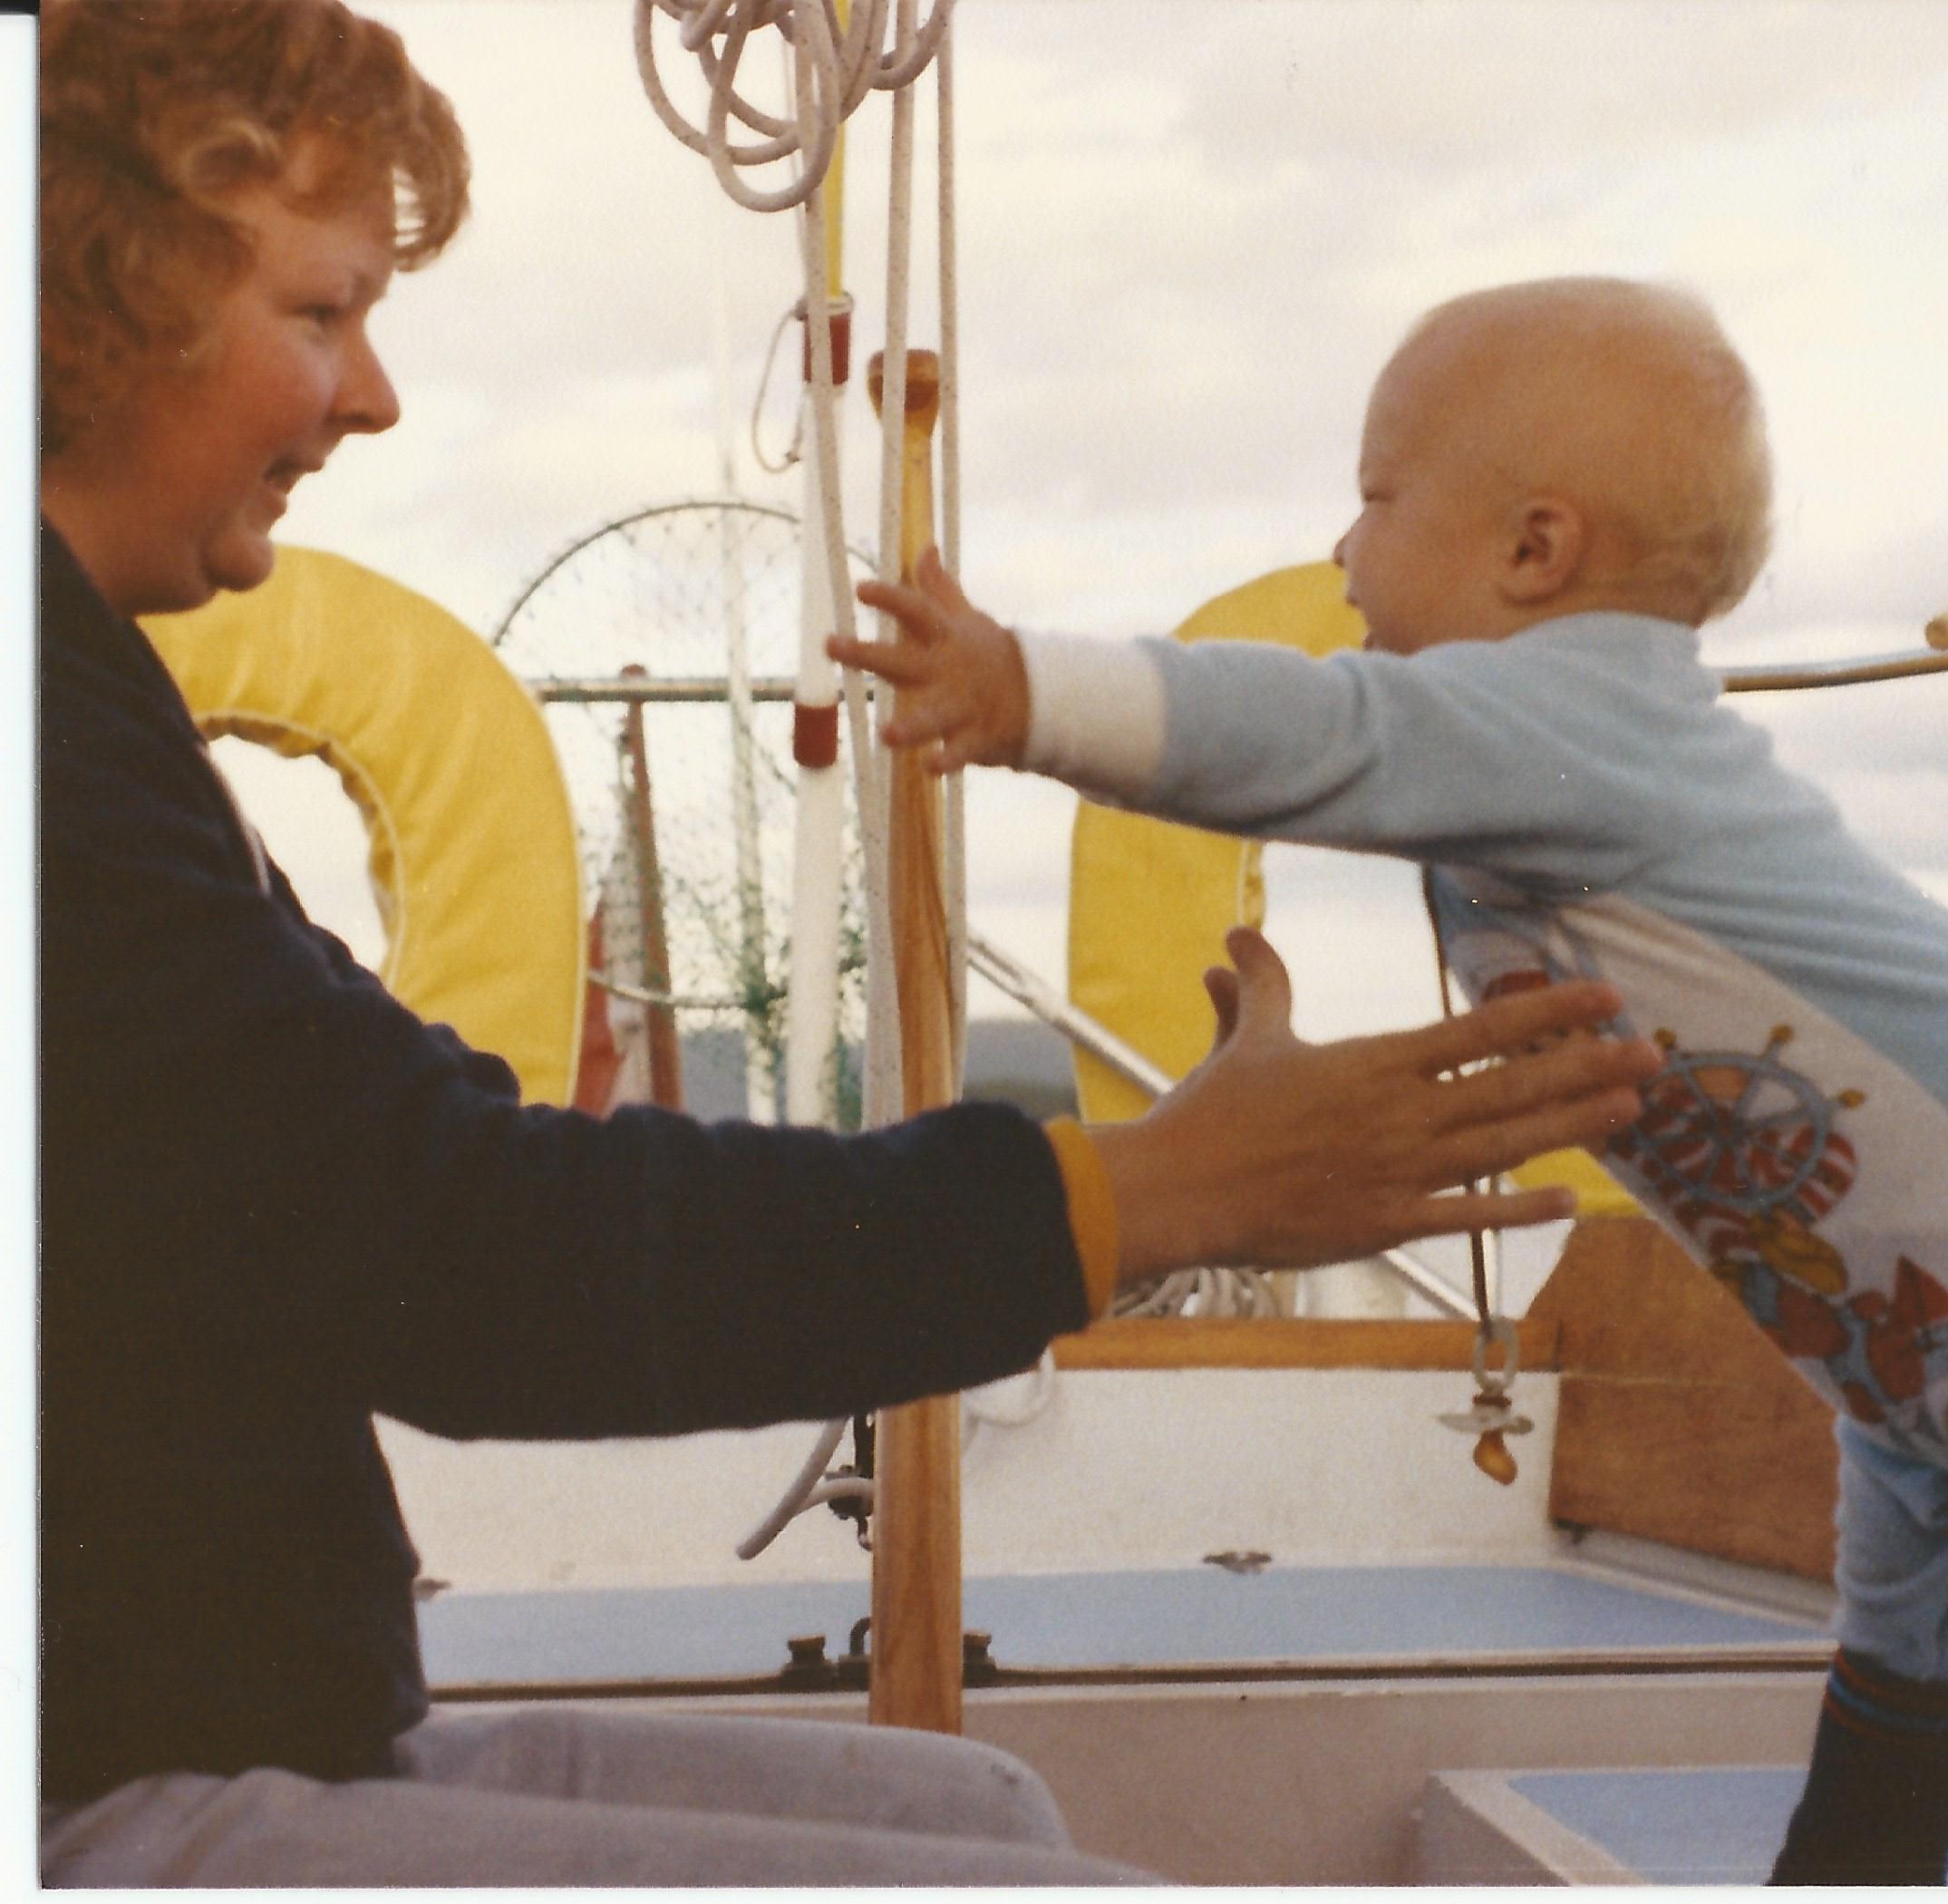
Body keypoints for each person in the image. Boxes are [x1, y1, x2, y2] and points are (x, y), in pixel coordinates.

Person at [33, 5, 1662, 1884]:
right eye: (322, 312)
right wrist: (1148, 1197)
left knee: (986, 1813)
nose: (374, 395)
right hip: (84, 1787)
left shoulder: (92, 699)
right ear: (88, 296)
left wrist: (1138, 1187)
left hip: (228, 1711)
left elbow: (376, 1155)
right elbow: (454, 1256)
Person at [838, 275, 1948, 1885]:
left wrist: (1027, 692)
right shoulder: (1549, 743)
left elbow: (1317, 729)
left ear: (1535, 552)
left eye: (1376, 499)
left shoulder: (1579, 709)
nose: (1346, 551)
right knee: (1923, 1595)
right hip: (1909, 1277)